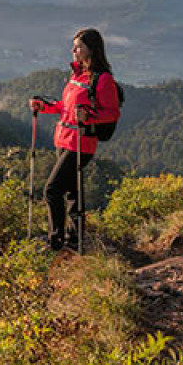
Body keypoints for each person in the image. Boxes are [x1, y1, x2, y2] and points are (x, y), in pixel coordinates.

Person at [29, 27, 121, 250]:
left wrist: (88, 116)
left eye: (78, 46)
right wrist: (44, 107)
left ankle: (56, 239)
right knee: (72, 193)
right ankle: (73, 239)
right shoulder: (77, 75)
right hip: (64, 139)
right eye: (74, 46)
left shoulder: (102, 79)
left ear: (91, 49)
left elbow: (112, 112)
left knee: (51, 190)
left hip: (82, 143)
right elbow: (65, 108)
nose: (73, 50)